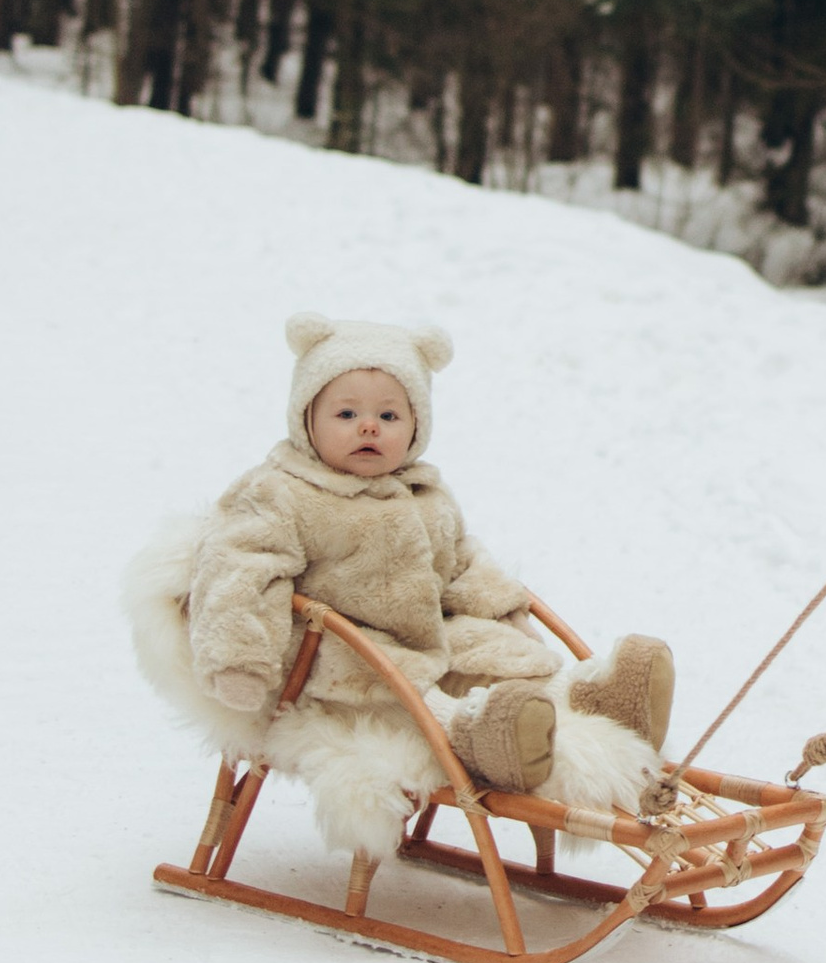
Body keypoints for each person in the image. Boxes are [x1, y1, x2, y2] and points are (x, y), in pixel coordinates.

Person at [127, 312, 676, 859]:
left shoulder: (425, 496)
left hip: (430, 638)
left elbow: (464, 566)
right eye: (346, 413)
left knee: (503, 659)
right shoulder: (280, 494)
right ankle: (486, 735)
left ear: (416, 427)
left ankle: (592, 698)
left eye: (388, 414)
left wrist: (510, 622)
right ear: (306, 421)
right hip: (343, 664)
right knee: (415, 696)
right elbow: (239, 571)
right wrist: (239, 661)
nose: (369, 427)